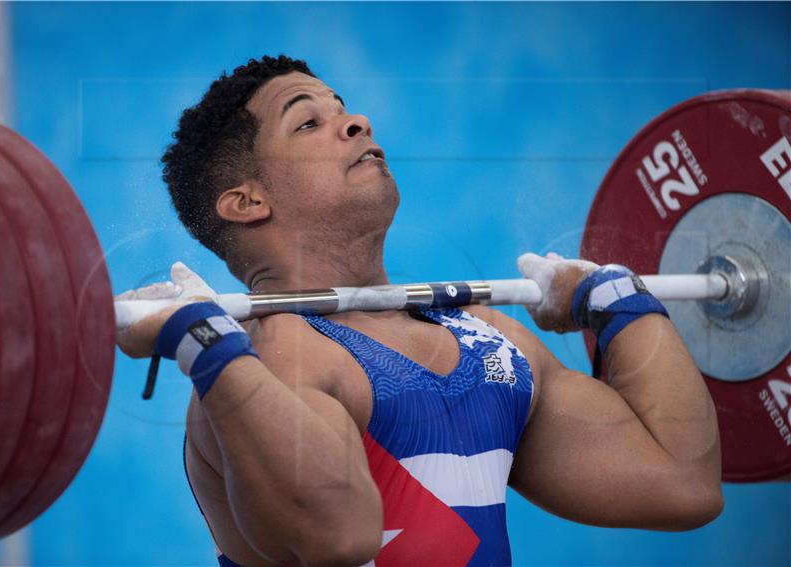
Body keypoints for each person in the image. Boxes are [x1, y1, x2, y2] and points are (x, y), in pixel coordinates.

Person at [116, 55, 723, 567]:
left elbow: (681, 482)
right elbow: (339, 534)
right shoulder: (269, 362)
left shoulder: (489, 339)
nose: (357, 122)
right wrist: (204, 344)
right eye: (307, 122)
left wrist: (615, 300)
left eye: (343, 108)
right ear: (247, 202)